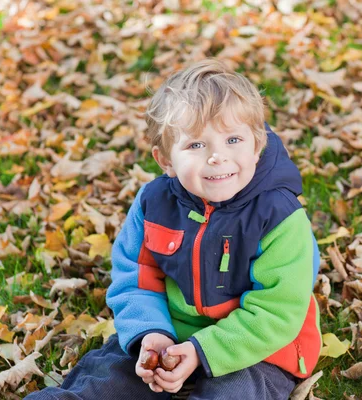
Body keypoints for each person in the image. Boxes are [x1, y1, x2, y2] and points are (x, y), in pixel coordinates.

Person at [25, 58, 321, 400]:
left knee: (235, 393)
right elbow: (135, 278)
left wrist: (201, 351)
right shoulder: (154, 204)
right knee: (104, 382)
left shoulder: (279, 216)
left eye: (233, 139)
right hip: (172, 333)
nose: (216, 157)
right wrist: (151, 335)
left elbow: (277, 311)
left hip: (257, 347)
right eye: (196, 145)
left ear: (257, 146)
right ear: (165, 160)